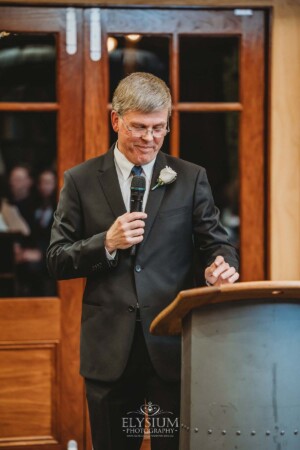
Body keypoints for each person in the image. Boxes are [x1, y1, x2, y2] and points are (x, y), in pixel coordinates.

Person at [47, 72, 239, 450]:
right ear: (115, 120)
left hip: (171, 346)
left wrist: (220, 266)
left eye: (158, 128)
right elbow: (56, 259)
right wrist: (106, 242)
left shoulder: (189, 177)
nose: (149, 138)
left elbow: (216, 243)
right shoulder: (82, 180)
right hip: (109, 355)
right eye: (139, 127)